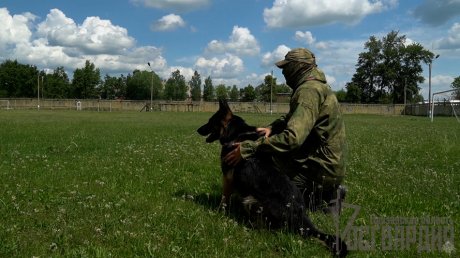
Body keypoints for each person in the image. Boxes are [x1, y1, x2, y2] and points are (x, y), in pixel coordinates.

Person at [224, 48, 347, 212]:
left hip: (319, 168)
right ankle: (326, 194)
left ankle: (262, 205)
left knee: (265, 170)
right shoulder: (318, 86)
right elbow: (291, 117)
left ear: (298, 67)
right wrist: (272, 128)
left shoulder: (308, 91)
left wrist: (249, 148)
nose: (284, 73)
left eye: (286, 68)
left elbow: (292, 139)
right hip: (330, 166)